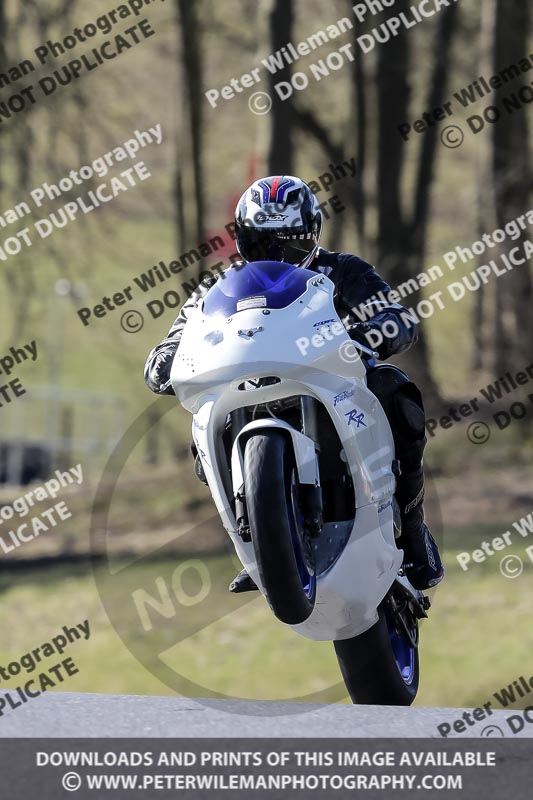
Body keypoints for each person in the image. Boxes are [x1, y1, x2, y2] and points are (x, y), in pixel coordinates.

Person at [144, 175, 444, 592]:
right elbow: (177, 337)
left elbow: (396, 317)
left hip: (332, 383)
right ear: (244, 242)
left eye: (290, 244)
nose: (278, 255)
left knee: (395, 391)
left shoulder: (343, 270)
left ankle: (413, 528)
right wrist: (165, 360)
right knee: (202, 423)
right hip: (248, 389)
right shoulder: (217, 288)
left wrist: (367, 335)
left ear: (313, 237)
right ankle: (259, 541)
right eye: (262, 244)